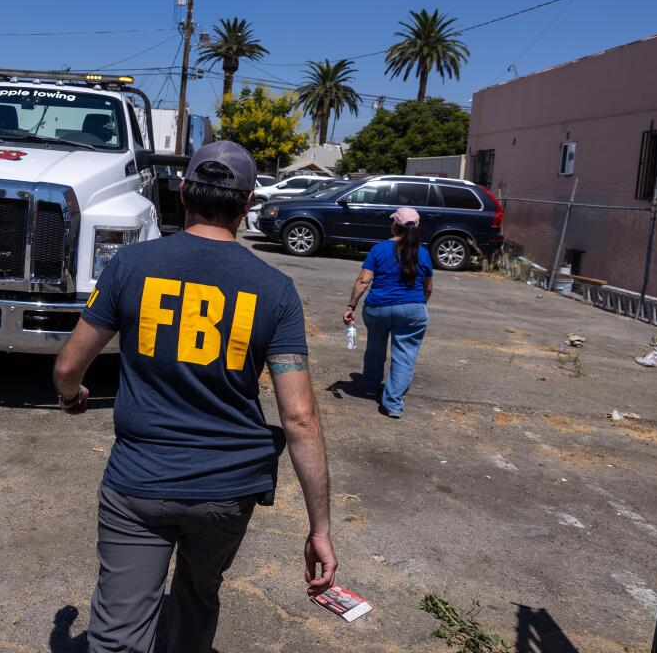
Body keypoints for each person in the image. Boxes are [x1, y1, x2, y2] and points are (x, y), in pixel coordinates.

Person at [53, 140, 337, 653]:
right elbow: (299, 419)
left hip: (140, 482)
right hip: (228, 491)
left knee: (118, 630)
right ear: (248, 203)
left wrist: (70, 396)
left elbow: (70, 365)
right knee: (199, 595)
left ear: (182, 191)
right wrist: (320, 528)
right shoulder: (274, 290)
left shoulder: (130, 266)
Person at [342, 207, 433, 419]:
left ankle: (371, 386)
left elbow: (364, 280)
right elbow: (428, 287)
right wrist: (419, 305)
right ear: (417, 227)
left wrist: (351, 306)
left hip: (378, 308)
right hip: (413, 309)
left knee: (375, 347)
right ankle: (393, 404)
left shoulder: (379, 249)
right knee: (404, 356)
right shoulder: (424, 253)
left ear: (394, 225)